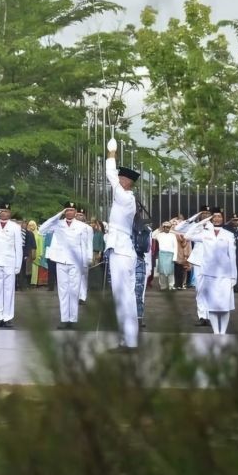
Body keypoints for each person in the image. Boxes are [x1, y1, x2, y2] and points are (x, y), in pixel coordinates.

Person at [103, 138, 141, 350]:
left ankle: (129, 340)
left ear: (126, 181)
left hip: (122, 250)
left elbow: (110, 175)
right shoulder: (125, 197)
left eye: (120, 178)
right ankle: (127, 339)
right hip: (121, 249)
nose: (117, 179)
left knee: (124, 297)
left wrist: (112, 153)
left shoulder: (125, 197)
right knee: (123, 297)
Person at [183, 208, 238, 334]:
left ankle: (222, 332)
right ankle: (216, 333)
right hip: (208, 274)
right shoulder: (205, 234)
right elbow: (187, 235)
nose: (217, 218)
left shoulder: (228, 235)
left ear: (223, 218)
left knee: (224, 306)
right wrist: (202, 221)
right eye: (215, 216)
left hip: (224, 275)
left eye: (219, 216)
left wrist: (234, 277)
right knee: (212, 306)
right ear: (211, 219)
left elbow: (232, 257)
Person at [40, 201, 92, 328]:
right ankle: (64, 319)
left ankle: (73, 319)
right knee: (63, 290)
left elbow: (85, 245)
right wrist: (58, 215)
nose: (70, 212)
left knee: (74, 290)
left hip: (76, 261)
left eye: (72, 210)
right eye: (67, 210)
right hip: (61, 260)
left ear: (75, 212)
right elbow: (42, 229)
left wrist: (87, 261)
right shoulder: (57, 224)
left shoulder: (82, 226)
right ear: (64, 212)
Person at [176, 205, 213, 327]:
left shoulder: (213, 228)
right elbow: (179, 228)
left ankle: (210, 315)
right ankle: (203, 316)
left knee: (211, 290)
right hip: (198, 260)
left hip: (211, 262)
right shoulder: (195, 226)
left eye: (208, 213)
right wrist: (195, 217)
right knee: (200, 290)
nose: (206, 216)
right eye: (203, 213)